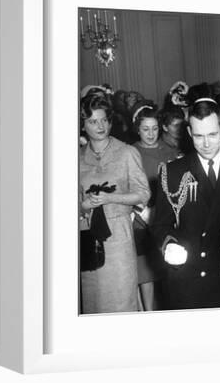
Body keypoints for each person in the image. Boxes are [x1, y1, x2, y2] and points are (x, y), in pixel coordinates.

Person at [151, 98, 220, 310]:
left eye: (212, 135)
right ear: (189, 133)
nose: (206, 144)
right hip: (189, 282)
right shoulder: (173, 172)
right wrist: (169, 245)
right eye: (198, 136)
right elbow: (161, 226)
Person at [79, 93, 151, 314]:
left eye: (104, 120)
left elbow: (143, 194)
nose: (100, 126)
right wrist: (83, 205)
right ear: (83, 125)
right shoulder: (77, 158)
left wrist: (111, 198)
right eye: (92, 121)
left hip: (119, 236)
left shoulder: (127, 153)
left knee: (122, 301)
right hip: (89, 236)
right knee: (93, 302)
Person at [131, 102, 180, 310]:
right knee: (145, 271)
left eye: (154, 129)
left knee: (166, 265)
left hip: (165, 216)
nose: (150, 134)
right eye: (145, 129)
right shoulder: (131, 152)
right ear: (137, 129)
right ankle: (148, 313)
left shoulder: (170, 151)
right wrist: (140, 210)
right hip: (140, 218)